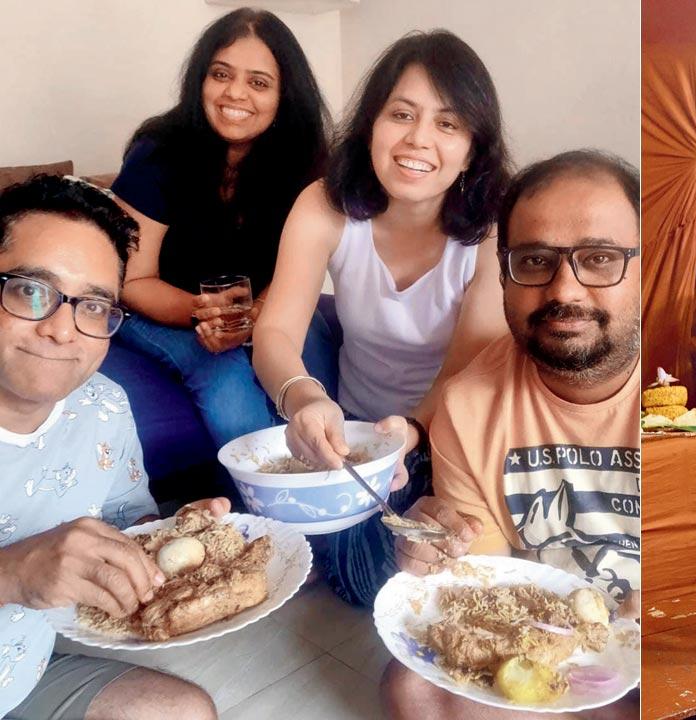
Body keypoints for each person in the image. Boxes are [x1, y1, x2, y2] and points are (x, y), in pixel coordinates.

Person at [252, 30, 510, 606]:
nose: (418, 140)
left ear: (473, 148)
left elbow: (465, 373)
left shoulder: (493, 231)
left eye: (447, 124)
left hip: (445, 437)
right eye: (401, 114)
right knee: (371, 582)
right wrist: (303, 397)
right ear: (371, 123)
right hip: (353, 437)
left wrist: (412, 433)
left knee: (426, 588)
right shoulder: (324, 204)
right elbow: (273, 331)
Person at [379, 150, 640, 719]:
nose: (564, 290)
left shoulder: (695, 396)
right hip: (560, 640)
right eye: (535, 260)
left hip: (681, 642)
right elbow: (486, 587)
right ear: (503, 275)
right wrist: (441, 553)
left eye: (600, 258)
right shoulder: (469, 405)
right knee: (416, 690)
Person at [0, 175, 227, 720]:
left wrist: (172, 536)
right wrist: (14, 572)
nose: (64, 330)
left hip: (23, 676)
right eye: (32, 291)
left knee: (182, 712)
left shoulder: (102, 404)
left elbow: (128, 521)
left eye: (94, 306)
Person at [110, 8, 332, 455]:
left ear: (285, 94)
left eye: (258, 82)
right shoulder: (158, 154)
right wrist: (205, 314)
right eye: (221, 74)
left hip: (257, 306)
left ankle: (334, 490)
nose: (235, 93)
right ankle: (261, 505)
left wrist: (255, 318)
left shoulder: (305, 163)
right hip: (158, 309)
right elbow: (132, 281)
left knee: (313, 353)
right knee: (226, 379)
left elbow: (298, 270)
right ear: (200, 79)